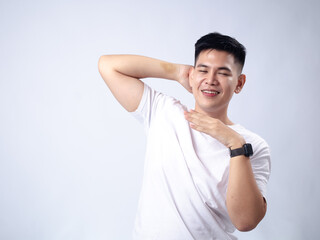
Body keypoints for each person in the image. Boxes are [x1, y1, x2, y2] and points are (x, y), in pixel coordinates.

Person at [98, 32, 271, 240]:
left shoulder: (251, 144)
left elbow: (245, 221)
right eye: (203, 70)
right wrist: (177, 71)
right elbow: (108, 66)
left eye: (223, 73)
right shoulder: (163, 111)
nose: (210, 80)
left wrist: (234, 142)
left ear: (240, 83)